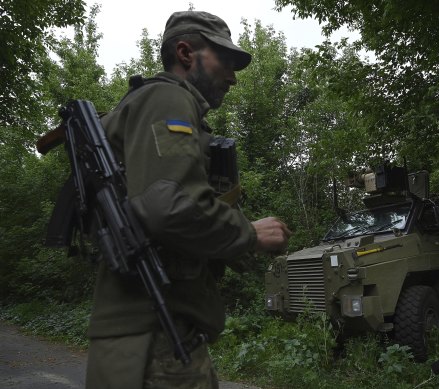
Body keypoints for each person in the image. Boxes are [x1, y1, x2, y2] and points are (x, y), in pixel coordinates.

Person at [85, 11, 291, 389]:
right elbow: (169, 205)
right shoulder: (168, 98)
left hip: (155, 335)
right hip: (156, 339)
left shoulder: (148, 105)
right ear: (185, 53)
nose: (232, 76)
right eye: (225, 61)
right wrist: (250, 233)